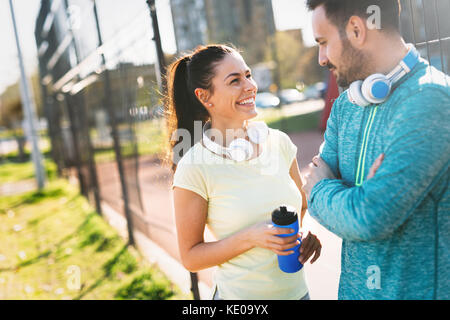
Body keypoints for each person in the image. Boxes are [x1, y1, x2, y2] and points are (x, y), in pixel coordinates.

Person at [303, 0, 449, 300]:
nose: (321, 58)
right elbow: (317, 183)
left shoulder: (430, 99)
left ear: (356, 29)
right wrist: (354, 197)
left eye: (324, 42)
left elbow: (368, 218)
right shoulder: (346, 105)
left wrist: (325, 191)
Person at [165, 44, 322, 300]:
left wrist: (301, 236)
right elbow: (191, 256)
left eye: (248, 75)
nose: (250, 86)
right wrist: (250, 238)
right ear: (205, 97)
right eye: (235, 80)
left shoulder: (279, 143)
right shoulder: (194, 166)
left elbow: (300, 207)